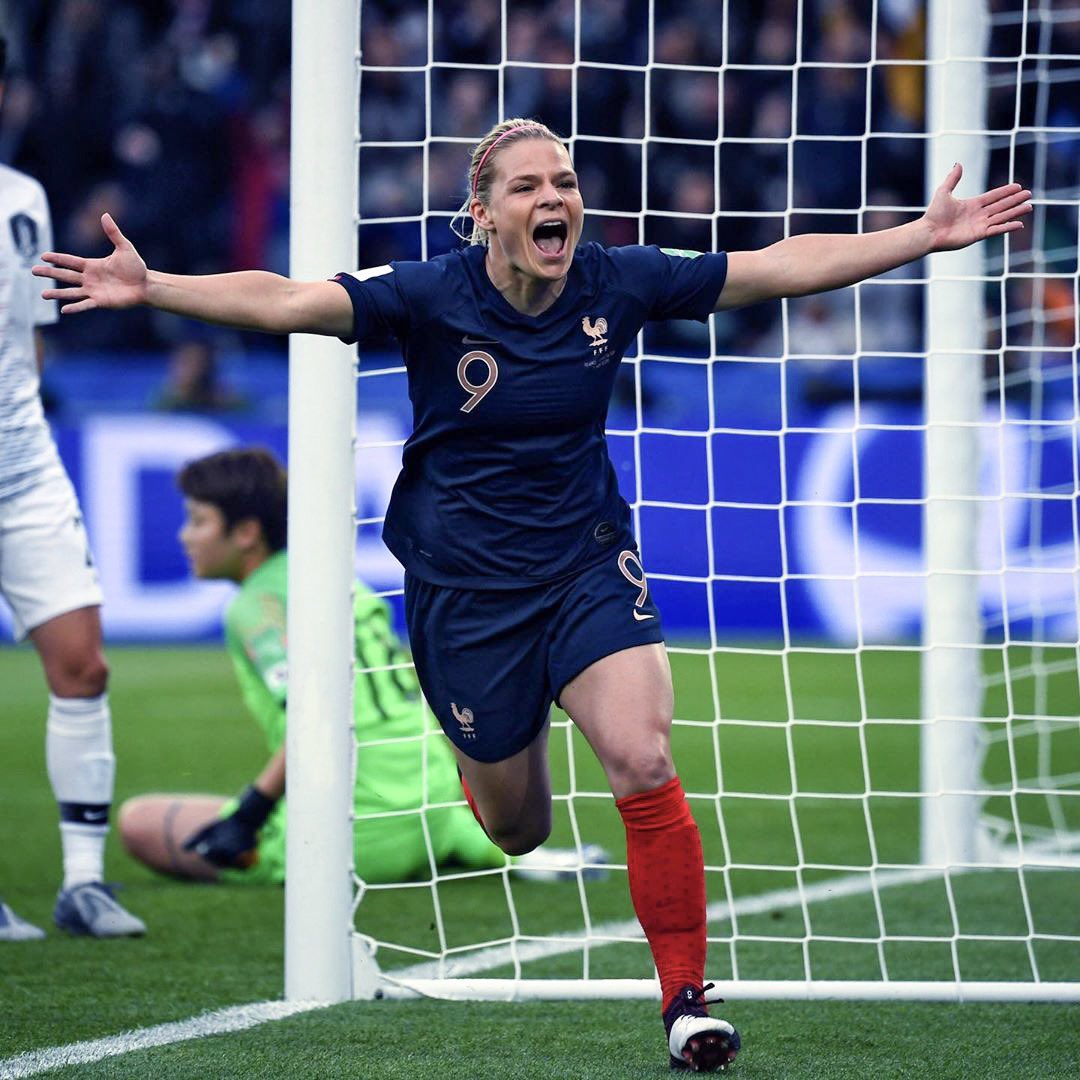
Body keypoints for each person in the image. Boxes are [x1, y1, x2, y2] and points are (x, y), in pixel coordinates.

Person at [33, 117, 1031, 1070]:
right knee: (516, 827)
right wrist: (153, 284)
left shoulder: (616, 279)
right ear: (483, 213)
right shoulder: (430, 294)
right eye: (528, 186)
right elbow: (291, 302)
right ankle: (497, 767)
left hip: (586, 564)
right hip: (466, 596)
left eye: (564, 182)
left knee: (642, 757)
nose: (554, 197)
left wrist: (920, 237)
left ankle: (686, 1002)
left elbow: (772, 268)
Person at [118, 445, 604, 885]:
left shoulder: (257, 606)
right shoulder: (339, 580)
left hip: (355, 832)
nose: (185, 536)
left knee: (138, 821)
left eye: (197, 520)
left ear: (245, 532)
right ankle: (524, 859)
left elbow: (316, 716)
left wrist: (251, 811)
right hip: (434, 810)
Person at [0, 36, 145, 942]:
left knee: (82, 664)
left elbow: (34, 341)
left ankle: (83, 884)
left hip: (21, 462)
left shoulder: (22, 201)